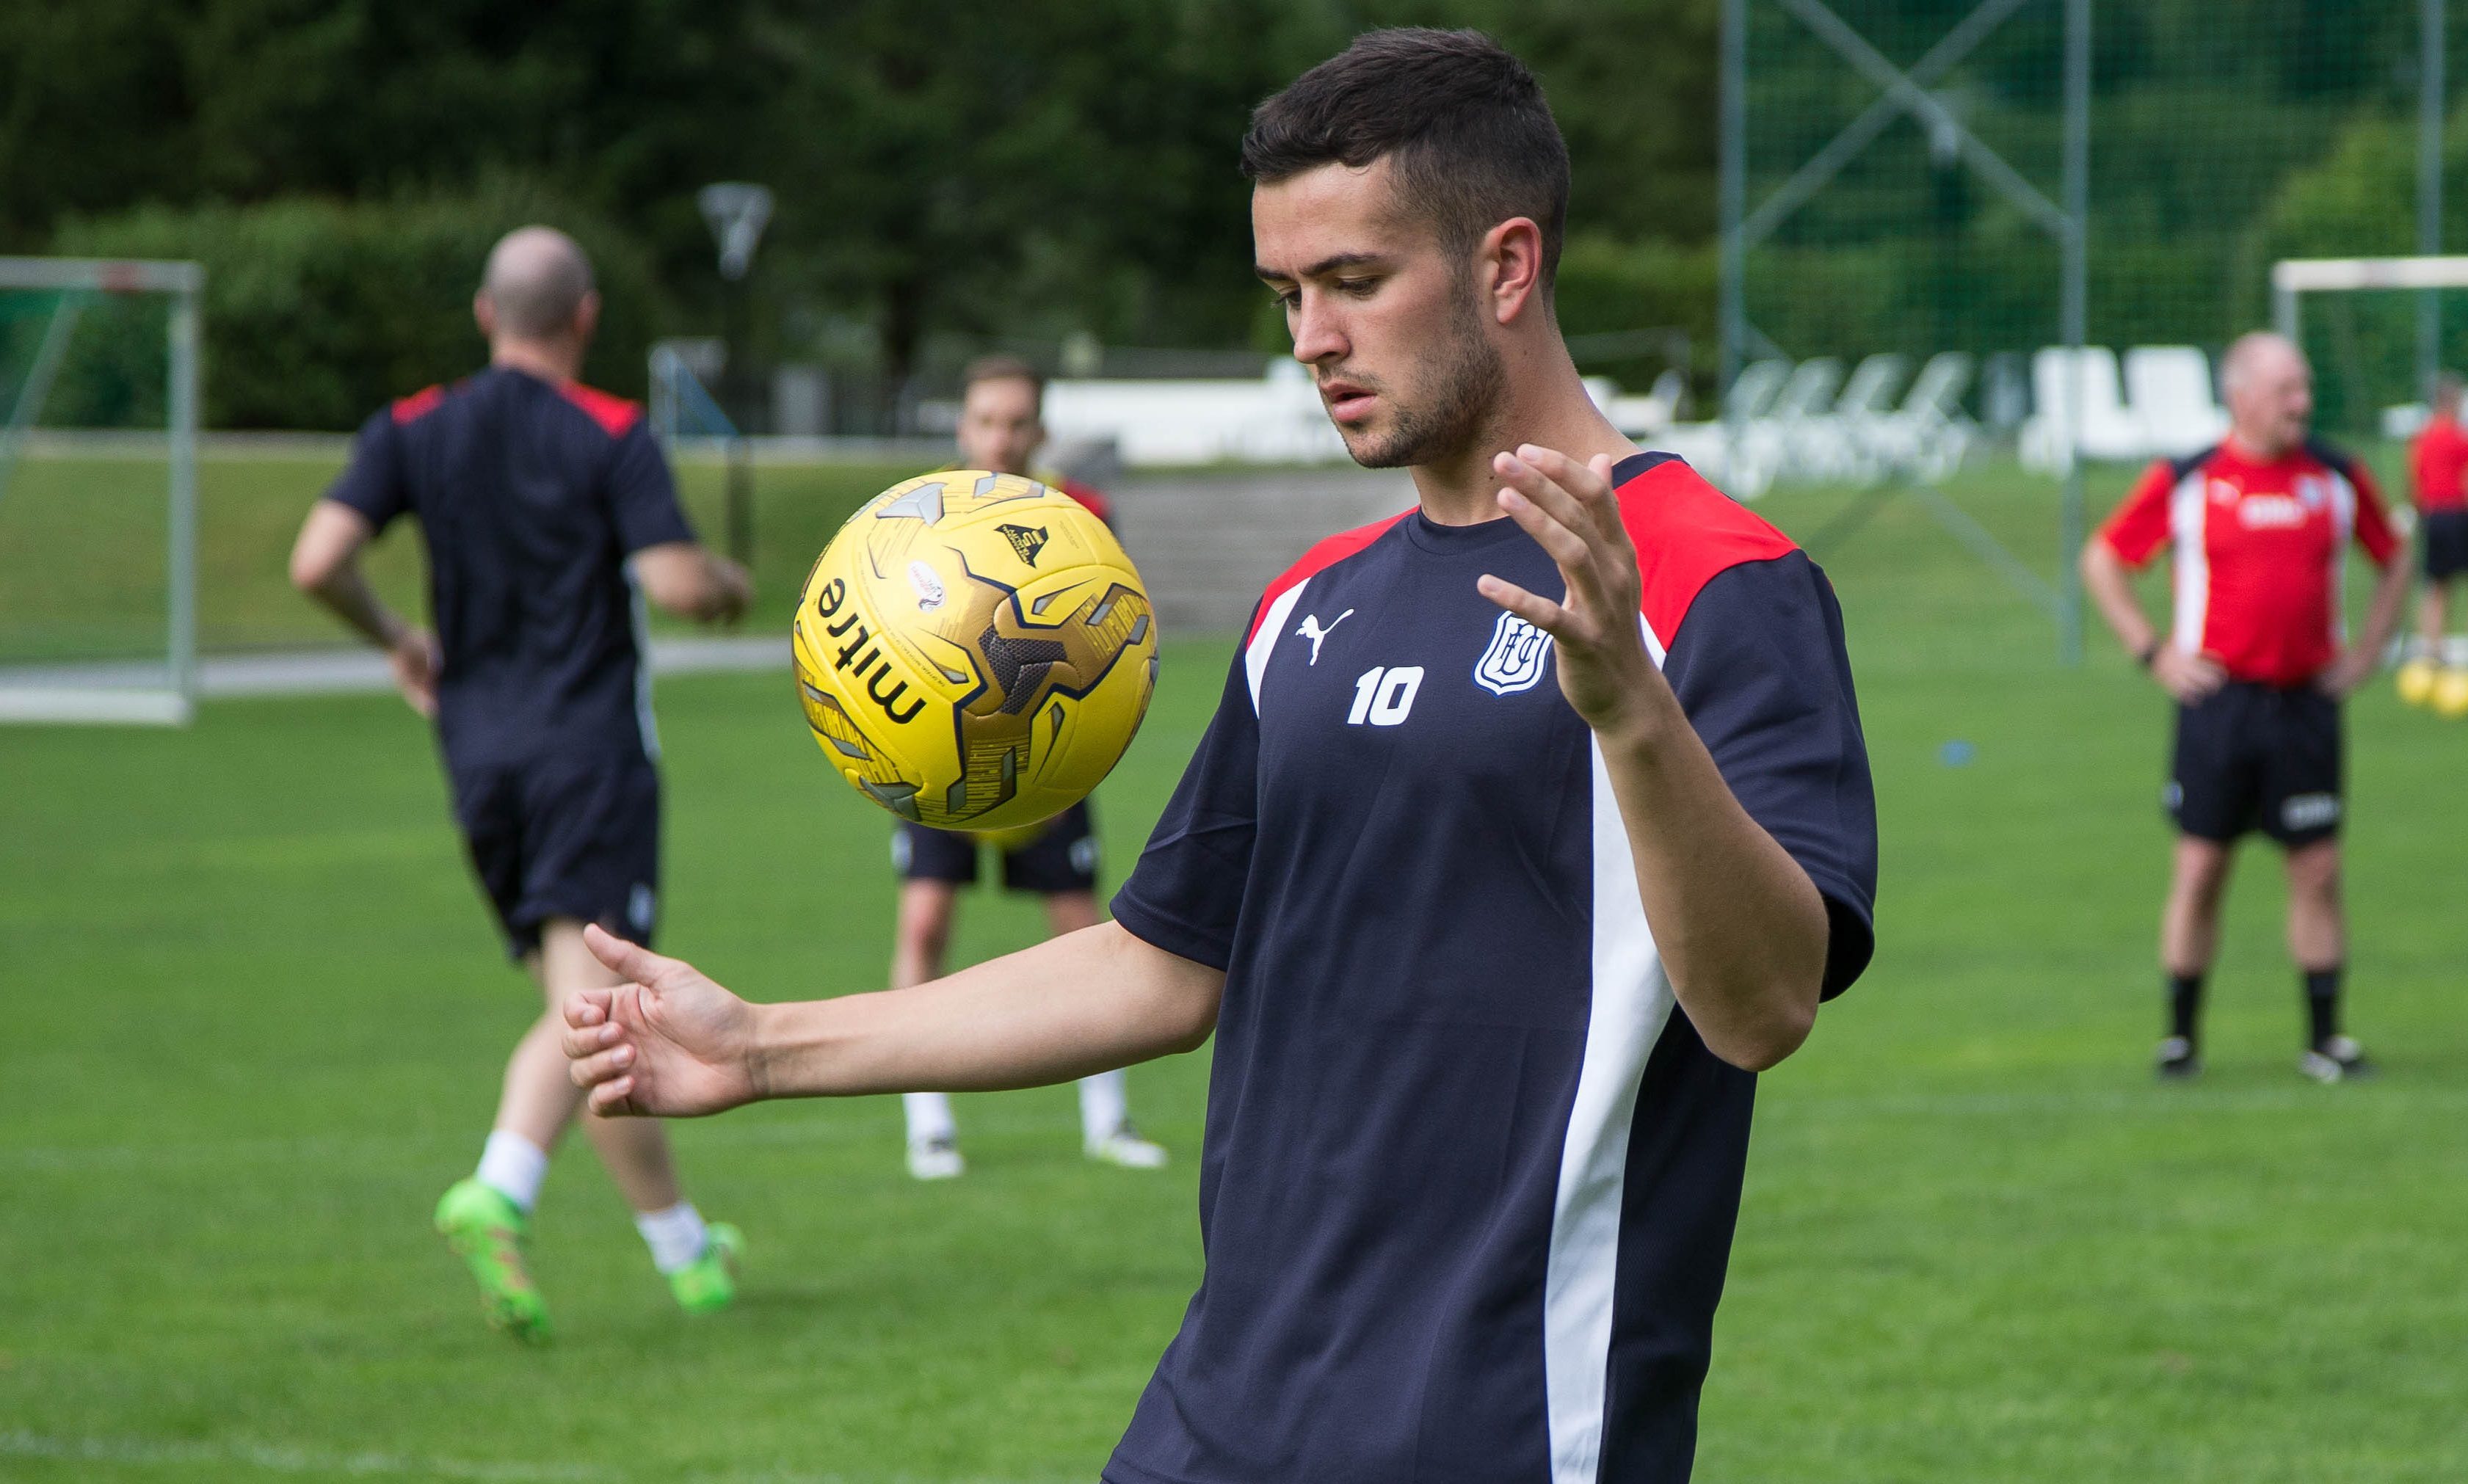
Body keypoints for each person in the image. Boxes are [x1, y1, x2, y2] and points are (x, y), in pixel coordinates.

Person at [563, 29, 1876, 1481]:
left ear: (1506, 266)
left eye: (1355, 283)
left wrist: (1633, 711)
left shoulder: (1715, 586)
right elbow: (1158, 963)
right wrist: (760, 1046)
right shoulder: (1307, 607)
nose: (1310, 337)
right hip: (1220, 1422)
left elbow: (1762, 1009)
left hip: (1501, 1430)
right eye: (1286, 293)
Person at [288, 226, 754, 1340]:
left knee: (595, 1011)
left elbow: (317, 560)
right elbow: (676, 583)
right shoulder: (608, 430)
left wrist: (399, 636)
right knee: (586, 1007)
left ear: (486, 315)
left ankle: (687, 1250)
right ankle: (499, 1186)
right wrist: (728, 581)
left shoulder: (413, 426)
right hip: (587, 755)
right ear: (585, 317)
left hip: (477, 759)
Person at [2080, 331, 2409, 1084]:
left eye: (2304, 387)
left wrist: (2365, 655)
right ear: (2240, 397)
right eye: (2285, 389)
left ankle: (2323, 1039)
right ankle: (2179, 1038)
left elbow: (2392, 558)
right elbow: (2102, 558)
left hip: (2304, 708)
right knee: (2199, 869)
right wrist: (2152, 652)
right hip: (2217, 707)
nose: (2301, 403)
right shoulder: (2190, 478)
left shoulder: (2332, 474)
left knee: (2317, 870)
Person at [890, 354, 1167, 1179]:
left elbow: (1114, 642)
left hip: (1044, 758)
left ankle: (1106, 1120)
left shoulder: (1080, 516)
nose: (999, 436)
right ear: (962, 426)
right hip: (941, 751)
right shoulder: (920, 517)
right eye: (985, 420)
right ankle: (927, 1124)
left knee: (1085, 934)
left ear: (1038, 430)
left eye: (1015, 421)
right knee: (924, 924)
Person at [2397, 371, 2468, 711]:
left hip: (2431, 515)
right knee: (2445, 585)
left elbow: (2414, 476)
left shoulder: (2422, 438)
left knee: (2433, 585)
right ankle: (2435, 651)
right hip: (2456, 514)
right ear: (2451, 401)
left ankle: (2432, 650)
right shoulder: (2458, 438)